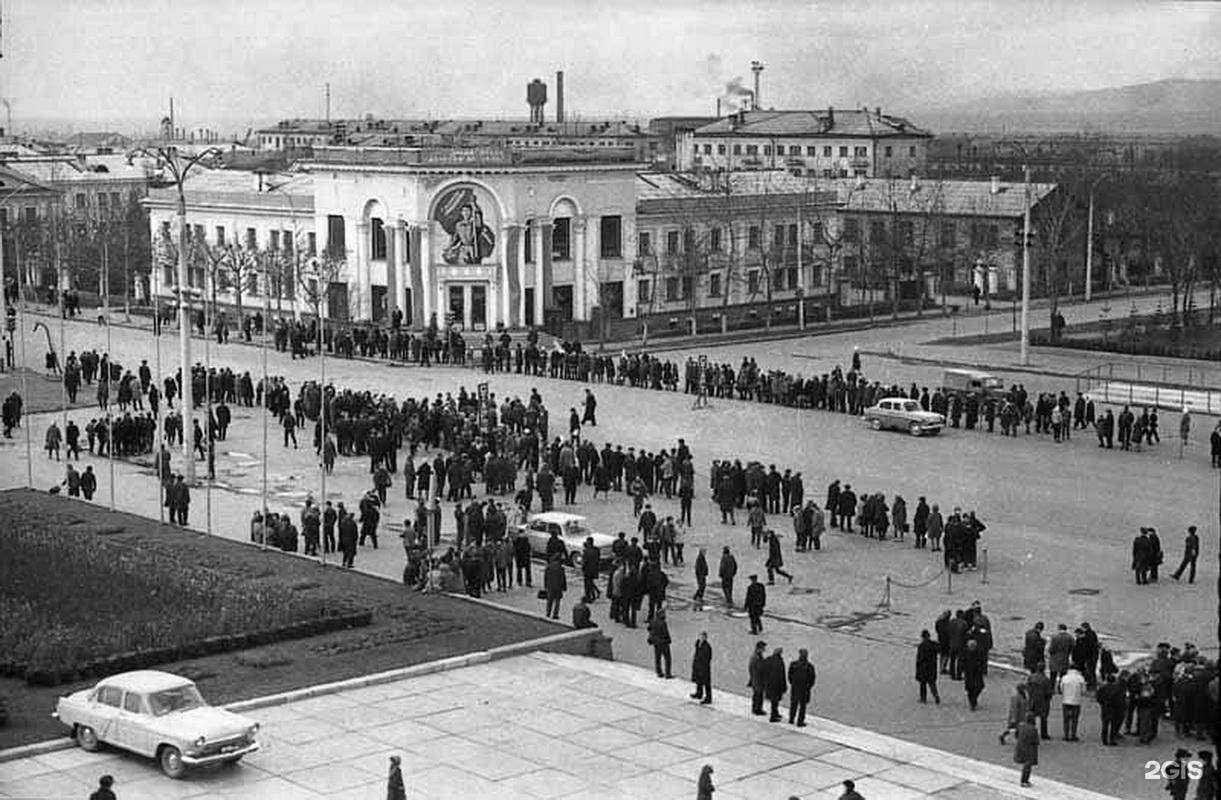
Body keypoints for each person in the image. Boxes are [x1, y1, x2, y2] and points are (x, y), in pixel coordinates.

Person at [788, 648, 816, 726]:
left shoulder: (793, 664)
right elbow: (812, 678)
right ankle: (800, 721)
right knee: (802, 706)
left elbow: (790, 676)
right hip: (804, 689)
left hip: (795, 688)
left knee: (794, 704)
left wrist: (793, 683)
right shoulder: (809, 666)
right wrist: (808, 687)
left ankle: (791, 719)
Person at [762, 646, 787, 722]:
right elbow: (782, 675)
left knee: (774, 701)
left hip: (769, 684)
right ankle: (773, 716)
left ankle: (775, 713)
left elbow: (764, 672)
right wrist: (784, 686)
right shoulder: (780, 662)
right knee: (775, 701)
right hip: (777, 685)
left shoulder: (768, 659)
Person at [1060, 664, 1085, 741]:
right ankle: (1073, 735)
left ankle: (1066, 735)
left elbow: (1061, 689)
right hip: (1076, 701)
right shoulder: (1080, 678)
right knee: (1075, 719)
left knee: (1066, 719)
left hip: (1066, 700)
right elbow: (1083, 690)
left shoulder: (1064, 678)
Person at [916, 629, 940, 704]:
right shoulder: (934, 644)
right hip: (932, 667)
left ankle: (923, 699)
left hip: (923, 668)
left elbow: (919, 659)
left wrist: (917, 671)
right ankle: (936, 696)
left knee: (923, 684)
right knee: (932, 683)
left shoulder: (921, 646)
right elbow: (939, 650)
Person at [1014, 713, 1039, 787]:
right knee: (1028, 765)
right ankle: (1024, 781)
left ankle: (1024, 781)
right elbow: (1036, 741)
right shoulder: (1033, 729)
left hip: (1020, 747)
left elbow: (1016, 735)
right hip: (1030, 749)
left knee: (1025, 764)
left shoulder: (1021, 726)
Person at [648, 608, 673, 678]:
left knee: (657, 658)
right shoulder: (663, 623)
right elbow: (665, 633)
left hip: (656, 642)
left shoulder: (653, 621)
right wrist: (669, 640)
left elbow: (649, 628)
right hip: (663, 642)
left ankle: (659, 672)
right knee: (667, 658)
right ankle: (668, 673)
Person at [961, 639, 986, 710]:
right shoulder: (966, 652)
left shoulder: (979, 652)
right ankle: (972, 703)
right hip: (969, 673)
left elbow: (982, 661)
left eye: (973, 646)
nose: (972, 647)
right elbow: (962, 662)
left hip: (977, 672)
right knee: (970, 688)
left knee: (979, 686)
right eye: (971, 646)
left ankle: (973, 701)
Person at [690, 631, 712, 704]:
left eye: (703, 637)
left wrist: (703, 666)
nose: (701, 638)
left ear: (705, 638)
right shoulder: (698, 644)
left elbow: (708, 658)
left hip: (704, 667)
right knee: (698, 680)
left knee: (706, 682)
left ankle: (708, 698)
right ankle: (699, 693)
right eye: (700, 636)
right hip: (697, 665)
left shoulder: (707, 647)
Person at [543, 555, 566, 619]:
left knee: (549, 600)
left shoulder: (548, 567)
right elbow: (563, 578)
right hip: (558, 587)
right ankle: (555, 614)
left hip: (550, 586)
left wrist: (545, 586)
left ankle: (548, 613)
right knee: (557, 601)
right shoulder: (561, 568)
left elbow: (545, 577)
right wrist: (564, 587)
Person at [748, 640, 767, 716]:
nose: (764, 649)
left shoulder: (758, 655)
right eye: (763, 648)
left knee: (759, 694)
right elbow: (754, 668)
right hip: (757, 679)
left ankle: (758, 708)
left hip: (758, 679)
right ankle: (757, 709)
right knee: (757, 695)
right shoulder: (755, 657)